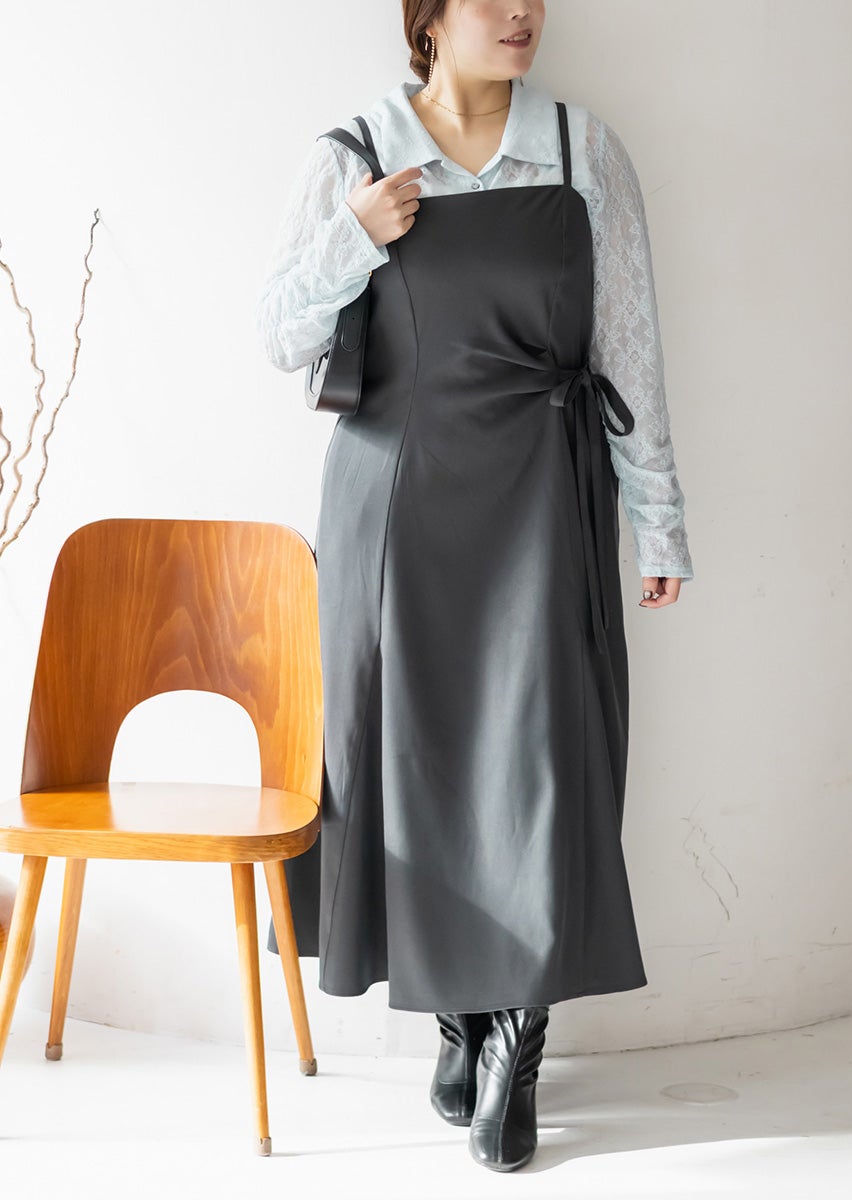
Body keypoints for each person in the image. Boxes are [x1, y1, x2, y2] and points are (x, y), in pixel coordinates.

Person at [254, 0, 694, 1173]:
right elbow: (279, 337)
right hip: (393, 505)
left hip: (542, 496)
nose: (521, 14)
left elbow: (629, 344)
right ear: (430, 16)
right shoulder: (353, 153)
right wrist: (355, 234)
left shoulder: (582, 151)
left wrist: (657, 516)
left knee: (543, 764)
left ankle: (517, 1042)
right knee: (412, 762)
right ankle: (458, 1017)